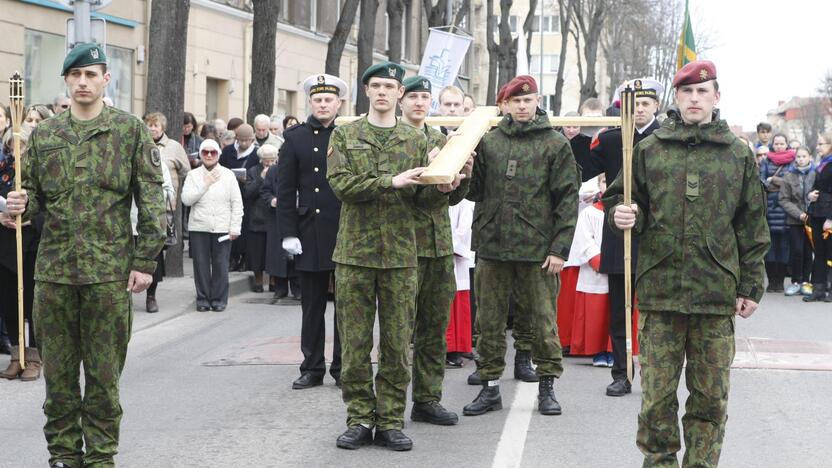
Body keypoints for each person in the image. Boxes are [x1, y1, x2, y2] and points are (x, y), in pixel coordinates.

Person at [5, 43, 166, 467]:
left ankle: (99, 456)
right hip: (54, 274)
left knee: (102, 377)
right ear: (65, 81)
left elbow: (151, 201)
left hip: (108, 276)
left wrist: (145, 261)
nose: (82, 82)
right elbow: (35, 199)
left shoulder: (129, 131)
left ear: (105, 79)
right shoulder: (47, 135)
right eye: (75, 76)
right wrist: (18, 208)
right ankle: (62, 454)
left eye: (91, 75)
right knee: (58, 377)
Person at [605, 60, 769, 467]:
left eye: (703, 92)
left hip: (716, 295)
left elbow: (752, 223)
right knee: (656, 399)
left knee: (710, 399)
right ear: (676, 98)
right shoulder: (650, 149)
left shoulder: (736, 154)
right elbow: (620, 199)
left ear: (716, 96)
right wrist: (625, 215)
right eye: (687, 92)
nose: (695, 99)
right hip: (661, 293)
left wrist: (751, 285)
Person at [327, 62, 452, 451]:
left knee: (398, 344)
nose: (383, 92)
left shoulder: (414, 140)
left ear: (400, 94)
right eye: (376, 85)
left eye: (390, 86)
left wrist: (445, 184)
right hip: (355, 255)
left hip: (401, 256)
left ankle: (392, 420)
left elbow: (422, 201)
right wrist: (390, 182)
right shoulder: (346, 135)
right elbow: (340, 184)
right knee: (355, 344)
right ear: (366, 91)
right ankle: (360, 418)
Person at [463, 75, 579, 417]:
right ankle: (490, 387)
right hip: (493, 246)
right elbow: (476, 192)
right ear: (505, 105)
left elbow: (567, 199)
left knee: (543, 321)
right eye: (516, 101)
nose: (523, 106)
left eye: (528, 100)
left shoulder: (555, 144)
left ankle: (547, 387)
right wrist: (468, 171)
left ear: (537, 101)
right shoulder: (491, 141)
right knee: (489, 322)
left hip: (537, 249)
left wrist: (559, 248)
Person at [399, 75, 472, 426]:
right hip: (404, 246)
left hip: (439, 246)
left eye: (424, 97)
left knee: (433, 328)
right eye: (412, 96)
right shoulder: (394, 141)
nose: (418, 102)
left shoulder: (442, 141)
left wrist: (463, 177)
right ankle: (391, 404)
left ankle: (427, 398)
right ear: (401, 100)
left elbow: (452, 198)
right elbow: (396, 194)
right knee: (399, 331)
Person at [584, 78, 662, 397]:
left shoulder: (667, 138)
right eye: (633, 104)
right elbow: (584, 167)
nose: (639, 109)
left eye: (645, 103)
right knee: (620, 308)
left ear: (656, 105)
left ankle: (657, 374)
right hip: (619, 231)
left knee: (657, 310)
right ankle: (621, 372)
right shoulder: (610, 140)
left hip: (658, 236)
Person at [277, 73, 346, 390]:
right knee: (312, 305)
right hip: (310, 231)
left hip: (345, 230)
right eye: (317, 99)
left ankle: (343, 366)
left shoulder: (348, 135)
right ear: (310, 102)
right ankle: (312, 366)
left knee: (346, 306)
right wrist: (288, 233)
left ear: (339, 103)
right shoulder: (295, 138)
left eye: (328, 99)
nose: (322, 104)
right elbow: (286, 188)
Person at [181, 139, 243, 312]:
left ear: (218, 154)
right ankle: (202, 298)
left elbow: (236, 203)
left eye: (213, 152)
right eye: (205, 152)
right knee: (200, 264)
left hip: (222, 227)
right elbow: (186, 199)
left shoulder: (228, 175)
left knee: (220, 264)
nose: (209, 155)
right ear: (200, 154)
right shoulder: (193, 175)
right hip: (199, 227)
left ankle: (219, 299)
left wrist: (235, 227)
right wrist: (205, 183)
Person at [0, 125, 42, 381]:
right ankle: (17, 356)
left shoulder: (40, 174)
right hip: (6, 246)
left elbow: (51, 208)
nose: (18, 152)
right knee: (10, 301)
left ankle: (35, 357)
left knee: (34, 303)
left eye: (23, 146)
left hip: (34, 244)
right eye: (12, 147)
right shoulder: (3, 173)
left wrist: (30, 219)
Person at [760, 133, 795, 292]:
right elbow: (761, 182)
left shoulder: (793, 162)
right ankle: (771, 282)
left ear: (787, 144)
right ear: (772, 145)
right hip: (770, 210)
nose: (779, 146)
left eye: (782, 143)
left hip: (787, 210)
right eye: (776, 143)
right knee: (770, 248)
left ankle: (780, 282)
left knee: (784, 248)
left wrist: (773, 180)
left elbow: (792, 184)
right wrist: (777, 184)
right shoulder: (766, 161)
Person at [219, 123, 257, 271]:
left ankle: (244, 258)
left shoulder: (255, 154)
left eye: (247, 140)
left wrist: (247, 178)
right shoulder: (228, 151)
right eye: (241, 140)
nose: (244, 143)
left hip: (248, 196)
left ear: (252, 139)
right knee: (231, 226)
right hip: (229, 194)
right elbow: (221, 169)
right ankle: (232, 258)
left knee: (245, 227)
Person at [779, 146, 816, 296]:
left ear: (809, 157)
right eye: (798, 157)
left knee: (809, 251)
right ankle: (795, 281)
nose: (801, 159)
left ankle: (806, 282)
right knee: (797, 250)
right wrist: (799, 214)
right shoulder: (788, 176)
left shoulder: (815, 174)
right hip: (795, 220)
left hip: (812, 220)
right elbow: (784, 199)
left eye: (804, 156)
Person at [244, 144, 279, 293]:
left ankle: (273, 281)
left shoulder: (279, 171)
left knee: (272, 252)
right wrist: (261, 179)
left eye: (272, 160)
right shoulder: (252, 171)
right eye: (266, 161)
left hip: (273, 216)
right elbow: (249, 193)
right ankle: (258, 281)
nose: (269, 164)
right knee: (257, 253)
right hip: (257, 217)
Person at [803, 132, 832, 302]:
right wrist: (810, 195)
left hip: (828, 214)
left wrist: (830, 218)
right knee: (819, 252)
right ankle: (818, 289)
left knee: (831, 253)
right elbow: (815, 187)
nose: (818, 147)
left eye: (821, 144)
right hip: (817, 212)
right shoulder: (821, 164)